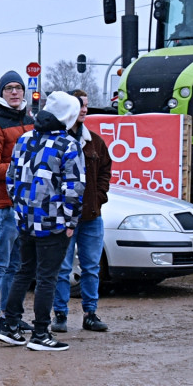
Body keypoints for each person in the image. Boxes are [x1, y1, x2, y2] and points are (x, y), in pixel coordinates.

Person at [0, 91, 86, 351]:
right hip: (54, 222)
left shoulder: (25, 138)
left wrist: (21, 209)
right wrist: (71, 222)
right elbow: (74, 188)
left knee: (23, 271)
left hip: (26, 220)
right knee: (47, 277)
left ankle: (11, 327)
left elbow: (11, 178)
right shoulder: (68, 145)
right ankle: (40, 334)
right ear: (68, 116)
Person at [0, 71, 34, 340]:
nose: (14, 92)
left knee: (16, 265)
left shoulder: (30, 122)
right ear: (1, 92)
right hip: (5, 204)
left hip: (26, 205)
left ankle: (10, 316)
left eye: (18, 87)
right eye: (9, 88)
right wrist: (22, 170)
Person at [52, 89, 112, 333]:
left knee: (91, 267)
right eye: (80, 106)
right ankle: (60, 315)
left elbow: (106, 171)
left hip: (91, 217)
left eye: (86, 105)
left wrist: (98, 197)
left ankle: (90, 313)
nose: (84, 110)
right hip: (65, 218)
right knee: (62, 268)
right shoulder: (57, 139)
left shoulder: (95, 141)